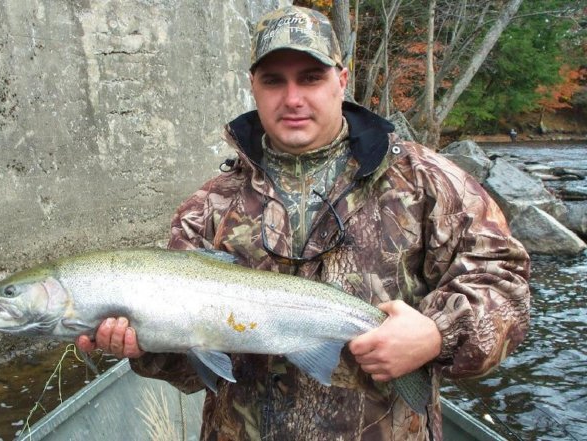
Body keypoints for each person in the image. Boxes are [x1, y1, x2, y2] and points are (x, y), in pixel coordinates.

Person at [77, 6, 530, 440]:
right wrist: (144, 347)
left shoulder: (427, 181)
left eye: (311, 77)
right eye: (274, 81)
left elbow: (506, 286)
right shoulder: (208, 206)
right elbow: (194, 370)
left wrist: (437, 335)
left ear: (342, 80)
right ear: (253, 86)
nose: (292, 99)